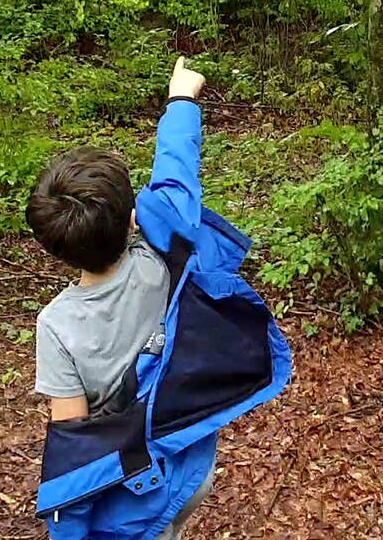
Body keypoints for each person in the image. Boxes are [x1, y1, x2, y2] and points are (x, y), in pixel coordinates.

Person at [27, 57, 291, 540]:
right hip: (191, 452)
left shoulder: (55, 327)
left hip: (135, 488)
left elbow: (74, 439)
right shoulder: (163, 253)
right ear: (132, 219)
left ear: (53, 248)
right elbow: (176, 171)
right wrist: (181, 99)